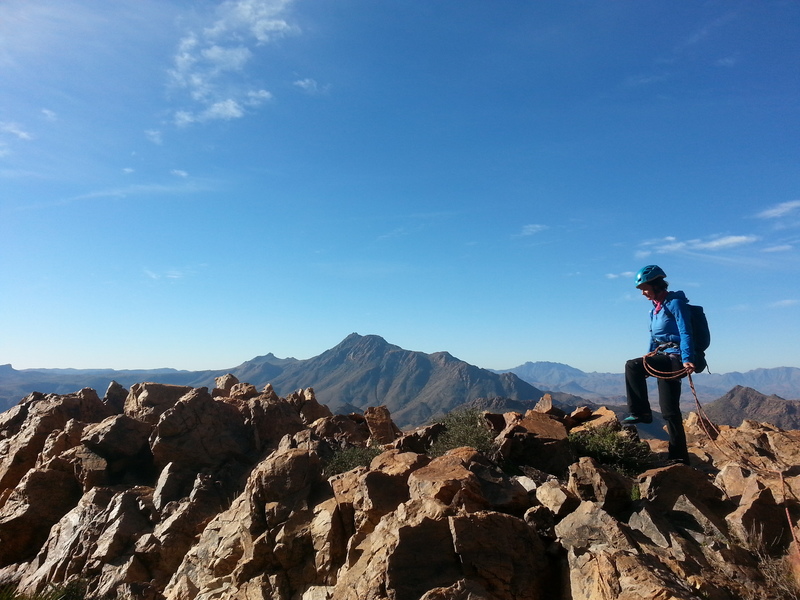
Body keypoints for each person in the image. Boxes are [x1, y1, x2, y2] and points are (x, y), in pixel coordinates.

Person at [623, 265, 695, 465]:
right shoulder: (653, 310)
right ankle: (679, 456)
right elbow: (654, 338)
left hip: (675, 357)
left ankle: (641, 413)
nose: (643, 293)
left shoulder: (675, 304)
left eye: (645, 288)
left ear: (656, 284)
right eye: (641, 290)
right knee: (669, 410)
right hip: (661, 355)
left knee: (631, 366)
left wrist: (688, 358)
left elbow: (686, 331)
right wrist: (647, 356)